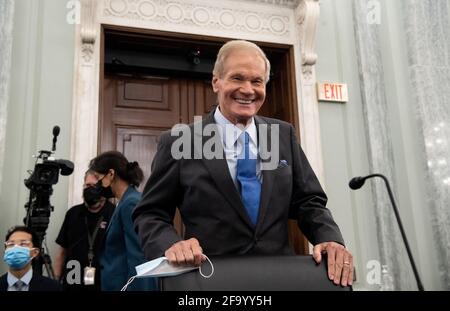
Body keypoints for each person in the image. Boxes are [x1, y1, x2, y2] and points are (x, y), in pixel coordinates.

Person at [132, 40, 354, 287]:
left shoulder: (281, 134)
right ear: (216, 81)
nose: (248, 90)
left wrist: (330, 238)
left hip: (280, 279)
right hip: (211, 279)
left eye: (257, 81)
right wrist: (171, 244)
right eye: (237, 78)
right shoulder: (181, 141)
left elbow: (308, 202)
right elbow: (150, 213)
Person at [88, 151, 156, 291]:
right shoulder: (124, 202)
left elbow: (139, 258)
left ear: (111, 174)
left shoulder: (130, 203)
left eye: (98, 177)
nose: (96, 183)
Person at [54, 170, 115, 291]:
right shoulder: (73, 213)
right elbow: (62, 252)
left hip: (104, 283)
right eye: (88, 185)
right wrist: (55, 282)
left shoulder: (114, 213)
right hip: (73, 281)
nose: (90, 189)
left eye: (95, 186)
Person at [1, 226, 61, 291]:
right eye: (11, 244)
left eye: (23, 244)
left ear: (35, 252)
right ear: (5, 252)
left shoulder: (52, 288)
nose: (16, 248)